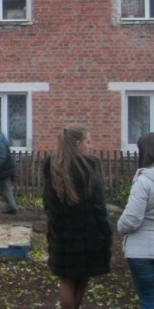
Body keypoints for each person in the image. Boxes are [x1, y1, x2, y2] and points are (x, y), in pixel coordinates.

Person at [43, 125, 111, 309]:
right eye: (89, 141)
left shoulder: (52, 164)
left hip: (61, 231)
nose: (92, 146)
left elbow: (47, 200)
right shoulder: (89, 165)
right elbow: (98, 203)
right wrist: (106, 230)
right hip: (88, 231)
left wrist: (54, 221)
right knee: (82, 278)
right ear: (78, 144)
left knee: (66, 279)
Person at [117, 132, 154, 309]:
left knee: (148, 298)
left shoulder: (144, 181)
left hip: (142, 251)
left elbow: (131, 220)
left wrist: (120, 227)